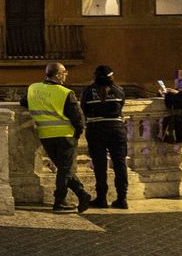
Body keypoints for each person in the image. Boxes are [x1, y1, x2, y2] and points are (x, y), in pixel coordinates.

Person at [21, 62, 91, 213]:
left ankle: (82, 195)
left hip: (46, 135)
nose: (66, 74)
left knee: (64, 170)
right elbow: (78, 118)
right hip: (65, 135)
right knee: (65, 170)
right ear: (58, 74)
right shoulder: (65, 93)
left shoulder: (33, 88)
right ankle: (59, 201)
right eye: (64, 72)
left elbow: (23, 102)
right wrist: (78, 133)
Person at [82, 65, 128, 209]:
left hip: (96, 129)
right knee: (120, 164)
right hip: (117, 129)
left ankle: (101, 198)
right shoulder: (119, 91)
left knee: (100, 166)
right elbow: (120, 108)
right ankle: (122, 198)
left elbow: (84, 109)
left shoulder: (88, 92)